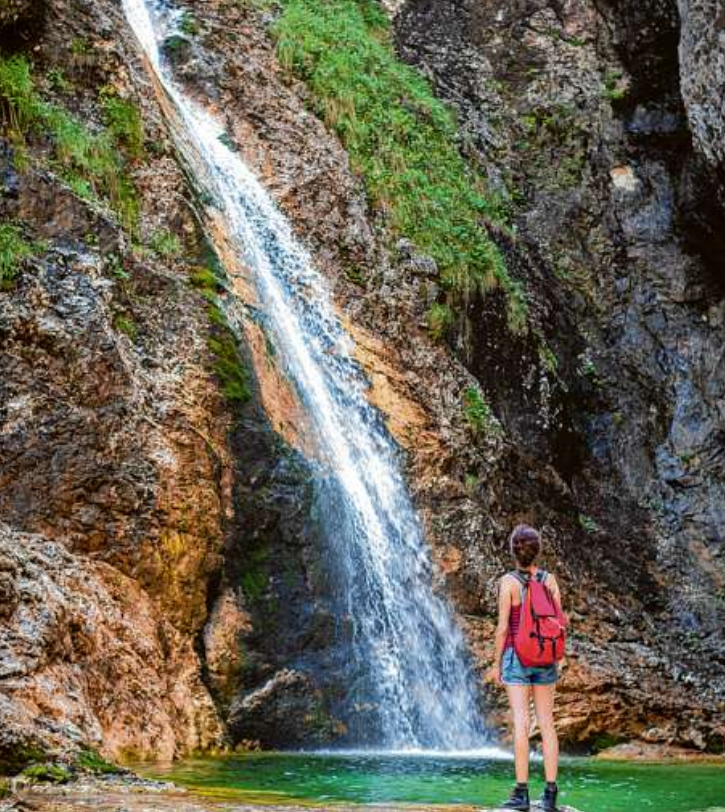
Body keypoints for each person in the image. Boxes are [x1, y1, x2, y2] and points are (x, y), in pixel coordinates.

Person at [488, 524, 562, 812]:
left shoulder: (508, 582)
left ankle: (521, 794)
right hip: (545, 657)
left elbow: (503, 628)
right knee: (547, 723)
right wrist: (559, 658)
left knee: (521, 722)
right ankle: (550, 795)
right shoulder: (550, 579)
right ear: (537, 551)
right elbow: (558, 623)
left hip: (517, 657)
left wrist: (496, 665)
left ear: (513, 552)